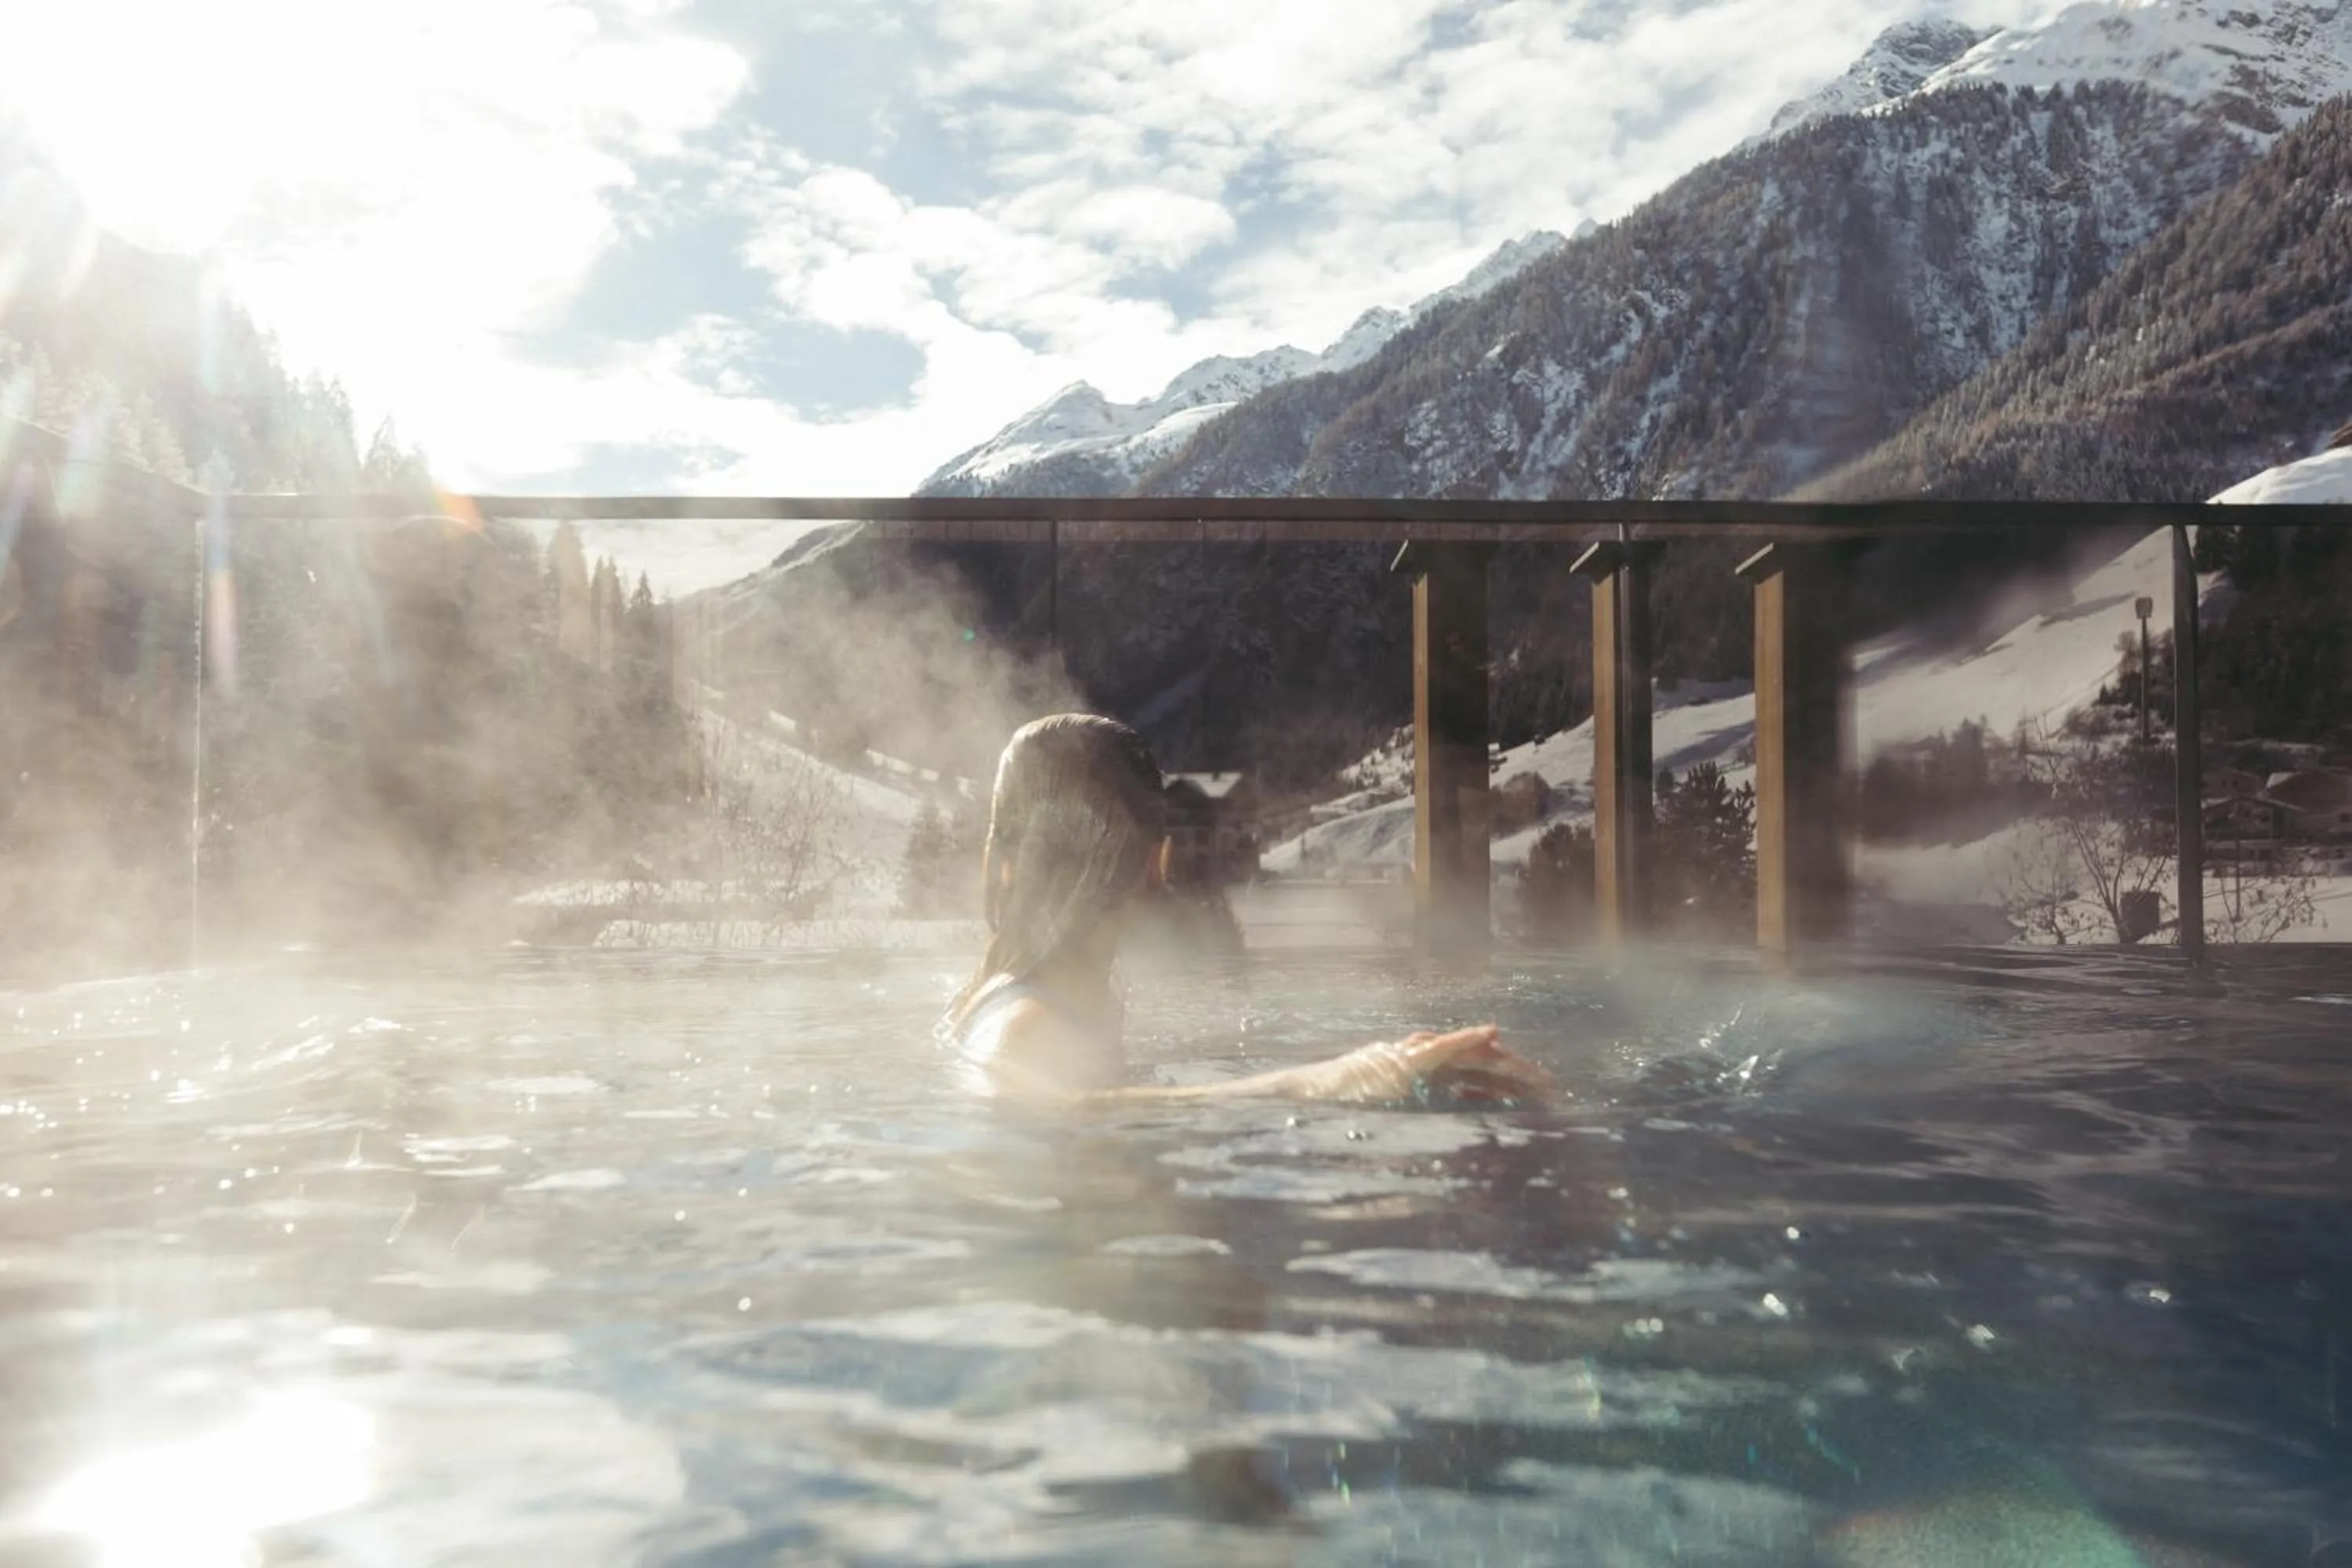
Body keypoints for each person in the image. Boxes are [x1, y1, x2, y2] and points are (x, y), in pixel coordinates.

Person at [940, 713, 1557, 1107]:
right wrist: (1328, 1080)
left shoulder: (1028, 995)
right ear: (1157, 863)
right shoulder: (1028, 1024)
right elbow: (1050, 1103)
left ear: (1003, 862)